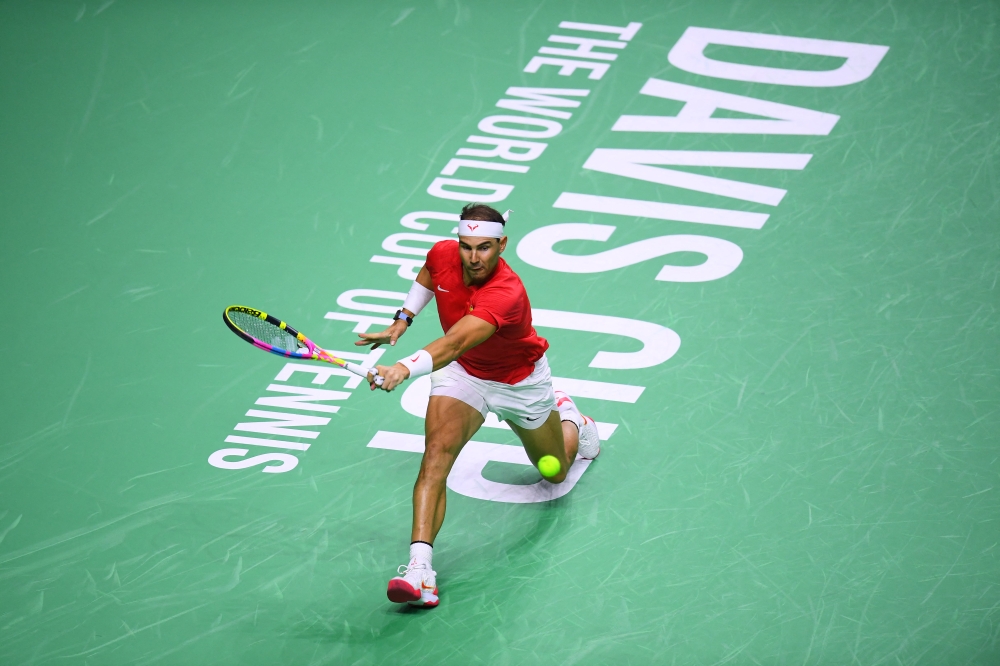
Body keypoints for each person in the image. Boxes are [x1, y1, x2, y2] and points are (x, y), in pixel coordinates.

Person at [355, 203, 601, 608]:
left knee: (554, 471)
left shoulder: (507, 292)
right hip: (463, 375)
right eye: (466, 247)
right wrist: (403, 319)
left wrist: (402, 367)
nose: (473, 258)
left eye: (484, 248)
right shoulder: (443, 254)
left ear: (502, 244)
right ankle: (420, 570)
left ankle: (570, 416)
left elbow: (454, 342)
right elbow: (429, 274)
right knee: (436, 454)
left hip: (518, 382)